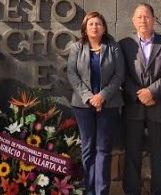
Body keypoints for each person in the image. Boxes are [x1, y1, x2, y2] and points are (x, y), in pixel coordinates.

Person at [119, 3, 161, 195]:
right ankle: (132, 191)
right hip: (134, 108)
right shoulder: (125, 44)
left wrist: (151, 92)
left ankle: (159, 191)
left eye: (146, 16)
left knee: (158, 154)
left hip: (158, 106)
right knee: (132, 154)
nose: (143, 20)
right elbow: (122, 75)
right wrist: (140, 95)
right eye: (139, 17)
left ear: (154, 19)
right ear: (133, 21)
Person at [66, 11, 124, 195]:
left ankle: (102, 191)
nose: (94, 27)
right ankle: (89, 190)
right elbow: (72, 75)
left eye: (98, 23)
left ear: (104, 27)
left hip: (109, 105)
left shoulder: (113, 47)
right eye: (91, 24)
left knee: (103, 149)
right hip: (83, 106)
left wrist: (102, 96)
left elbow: (119, 75)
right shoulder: (77, 47)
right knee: (88, 148)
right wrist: (89, 97)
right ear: (84, 28)